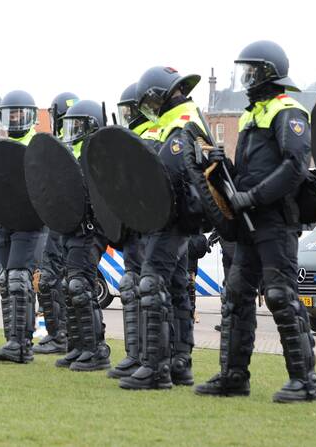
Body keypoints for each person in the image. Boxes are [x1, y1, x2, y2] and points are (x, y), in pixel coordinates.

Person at [194, 41, 316, 403]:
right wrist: (223, 167)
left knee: (281, 295)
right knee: (235, 296)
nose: (246, 78)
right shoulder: (252, 116)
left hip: (276, 221)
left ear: (268, 73)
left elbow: (295, 167)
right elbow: (249, 174)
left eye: (251, 72)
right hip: (248, 221)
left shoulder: (288, 112)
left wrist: (253, 197)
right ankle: (233, 376)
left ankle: (304, 381)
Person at [120, 66, 207, 391]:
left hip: (170, 219)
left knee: (152, 283)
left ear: (160, 97)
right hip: (180, 220)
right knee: (176, 289)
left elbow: (169, 174)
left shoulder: (180, 124)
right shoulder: (184, 119)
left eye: (149, 104)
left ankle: (155, 368)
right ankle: (179, 364)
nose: (148, 111)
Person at [54, 99, 111, 372]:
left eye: (78, 125)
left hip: (90, 232)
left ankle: (96, 350)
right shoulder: (75, 156)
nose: (73, 130)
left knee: (80, 287)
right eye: (71, 125)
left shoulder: (99, 157)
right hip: (72, 230)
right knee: (70, 287)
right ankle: (77, 347)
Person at [0, 89, 44, 364]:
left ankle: (21, 344)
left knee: (20, 279)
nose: (15, 118)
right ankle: (12, 340)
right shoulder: (0, 148)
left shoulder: (38, 146)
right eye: (11, 114)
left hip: (28, 223)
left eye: (19, 113)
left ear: (30, 116)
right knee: (8, 281)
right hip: (5, 222)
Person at [107, 83, 153, 377]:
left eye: (129, 110)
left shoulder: (152, 136)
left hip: (149, 227)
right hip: (131, 228)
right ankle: (133, 354)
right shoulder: (127, 141)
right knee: (130, 286)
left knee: (148, 291)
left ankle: (150, 358)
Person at [33, 91, 80, 356]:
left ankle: (60, 335)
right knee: (56, 281)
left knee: (53, 280)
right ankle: (62, 335)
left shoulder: (67, 148)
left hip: (62, 225)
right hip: (61, 223)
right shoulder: (69, 145)